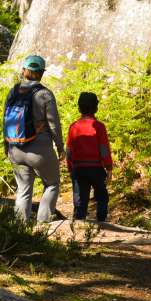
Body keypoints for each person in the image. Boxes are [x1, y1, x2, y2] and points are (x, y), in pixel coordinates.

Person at [3, 54, 66, 225]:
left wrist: (6, 146)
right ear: (41, 73)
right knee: (52, 184)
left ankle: (19, 227)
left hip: (15, 149)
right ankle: (43, 226)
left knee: (23, 189)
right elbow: (54, 124)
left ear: (24, 71)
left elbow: (5, 119)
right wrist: (60, 147)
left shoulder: (13, 91)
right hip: (40, 151)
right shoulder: (45, 94)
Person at [65, 91, 113, 222]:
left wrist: (70, 167)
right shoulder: (99, 126)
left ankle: (79, 221)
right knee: (102, 196)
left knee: (80, 198)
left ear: (79, 108)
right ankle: (102, 221)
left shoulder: (73, 127)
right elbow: (104, 149)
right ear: (96, 108)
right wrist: (109, 168)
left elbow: (69, 150)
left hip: (79, 168)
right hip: (96, 168)